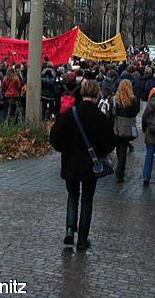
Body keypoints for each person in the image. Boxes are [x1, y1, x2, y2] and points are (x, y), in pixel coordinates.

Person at [49, 80, 115, 251]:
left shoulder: (69, 114)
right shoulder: (101, 118)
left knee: (72, 196)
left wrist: (65, 149)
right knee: (87, 200)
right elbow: (109, 144)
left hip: (70, 163)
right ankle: (83, 240)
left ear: (82, 93)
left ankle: (70, 230)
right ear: (97, 95)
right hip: (91, 166)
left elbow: (54, 138)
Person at [111, 79, 140, 183]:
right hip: (127, 126)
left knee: (119, 148)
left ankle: (119, 168)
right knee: (123, 149)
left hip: (116, 126)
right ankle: (120, 172)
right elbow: (135, 112)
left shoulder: (114, 98)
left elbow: (111, 112)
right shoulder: (132, 99)